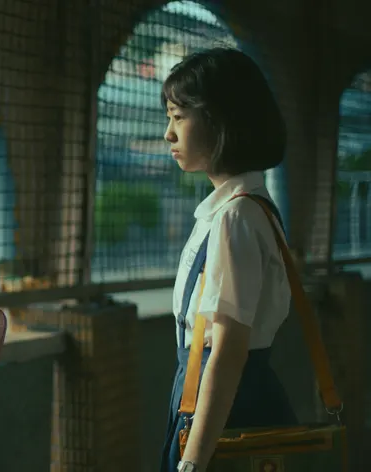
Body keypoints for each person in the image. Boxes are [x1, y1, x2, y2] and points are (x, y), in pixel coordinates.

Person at [159, 48, 297, 472]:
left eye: (178, 116)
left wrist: (192, 461)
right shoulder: (246, 209)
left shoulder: (235, 217)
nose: (168, 134)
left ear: (219, 119)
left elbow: (228, 351)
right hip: (228, 399)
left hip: (226, 410)